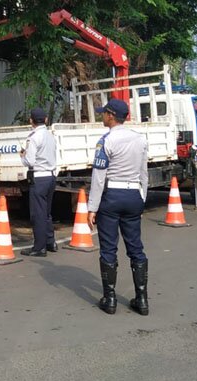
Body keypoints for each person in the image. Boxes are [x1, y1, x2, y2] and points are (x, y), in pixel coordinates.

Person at [87, 99, 149, 316]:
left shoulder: (105, 141)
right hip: (133, 195)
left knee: (108, 248)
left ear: (111, 115)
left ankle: (110, 299)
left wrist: (92, 207)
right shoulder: (140, 140)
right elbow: (144, 173)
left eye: (103, 113)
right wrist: (142, 197)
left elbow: (98, 177)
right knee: (136, 248)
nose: (101, 116)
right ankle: (142, 300)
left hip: (111, 197)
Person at [19, 107, 57, 257]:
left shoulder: (33, 137)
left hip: (39, 178)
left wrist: (22, 156)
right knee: (46, 212)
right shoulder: (50, 136)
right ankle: (50, 242)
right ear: (46, 120)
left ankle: (39, 247)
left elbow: (30, 160)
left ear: (31, 121)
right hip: (51, 176)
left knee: (38, 214)